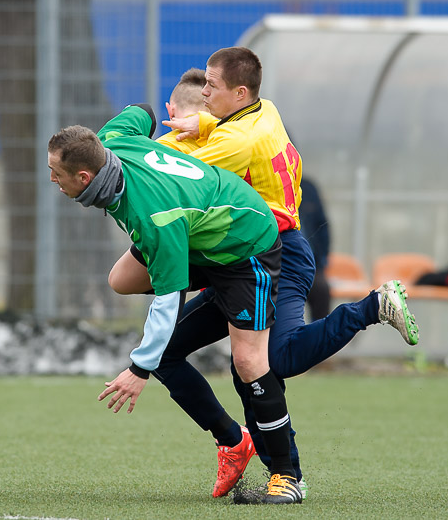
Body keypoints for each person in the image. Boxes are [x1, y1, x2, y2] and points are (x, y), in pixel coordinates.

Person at [108, 46, 420, 503]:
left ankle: (372, 308)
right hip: (236, 258)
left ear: (239, 92)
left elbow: (172, 171)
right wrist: (204, 123)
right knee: (175, 353)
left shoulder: (233, 144)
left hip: (276, 256)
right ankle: (234, 442)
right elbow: (219, 143)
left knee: (273, 361)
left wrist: (115, 155)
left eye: (212, 85)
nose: (205, 91)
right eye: (203, 84)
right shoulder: (264, 110)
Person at [48, 103, 304, 504]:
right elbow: (143, 111)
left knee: (248, 362)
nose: (52, 179)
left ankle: (287, 478)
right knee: (130, 295)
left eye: (56, 173)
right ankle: (233, 441)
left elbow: (168, 301)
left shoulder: (156, 217)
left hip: (246, 246)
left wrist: (138, 369)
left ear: (84, 177)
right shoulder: (110, 140)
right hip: (202, 241)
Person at [299, 177, 331, 321]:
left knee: (322, 290)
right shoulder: (270, 184)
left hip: (311, 264)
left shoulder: (308, 187)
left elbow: (323, 225)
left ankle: (321, 334)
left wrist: (322, 261)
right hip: (279, 264)